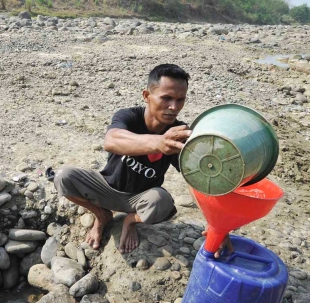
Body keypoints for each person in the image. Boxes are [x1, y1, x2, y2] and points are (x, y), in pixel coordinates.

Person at [54, 64, 230, 257]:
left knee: (162, 201)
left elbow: (199, 179)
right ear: (146, 96)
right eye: (166, 98)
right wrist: (159, 143)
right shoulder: (129, 116)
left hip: (140, 201)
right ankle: (101, 215)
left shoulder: (178, 134)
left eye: (180, 100)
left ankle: (130, 221)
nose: (173, 107)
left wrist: (218, 227)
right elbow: (111, 140)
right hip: (106, 186)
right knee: (64, 176)